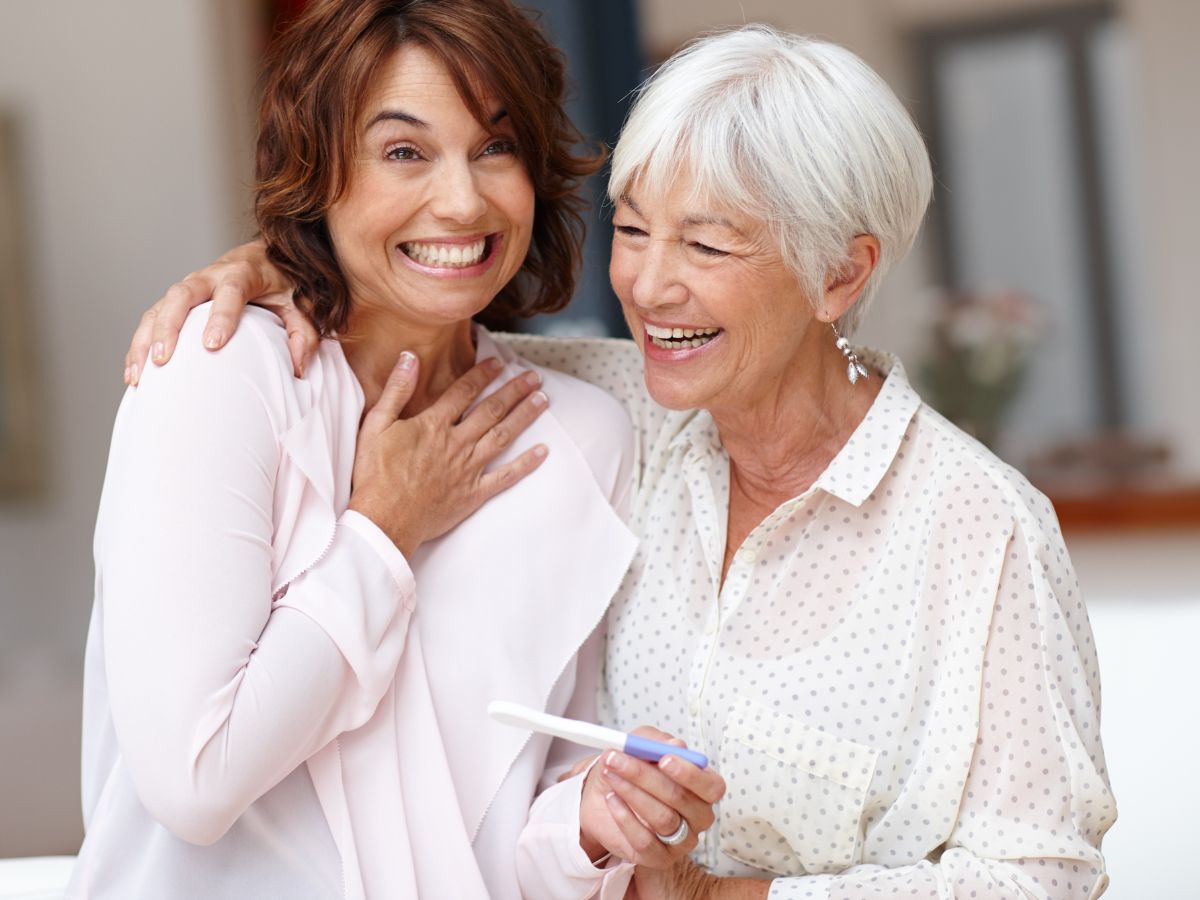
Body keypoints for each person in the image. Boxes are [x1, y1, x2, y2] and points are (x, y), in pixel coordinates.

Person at [127, 24, 1116, 900]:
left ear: (842, 273)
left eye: (707, 247)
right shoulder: (609, 411)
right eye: (634, 230)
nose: (648, 286)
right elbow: (417, 320)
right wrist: (280, 266)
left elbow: (1044, 875)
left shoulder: (979, 526)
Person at [72, 1, 723, 898]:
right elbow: (196, 780)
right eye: (405, 152)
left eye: (495, 147)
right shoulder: (219, 378)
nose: (462, 200)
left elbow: (502, 838)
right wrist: (382, 529)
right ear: (320, 176)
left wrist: (592, 823)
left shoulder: (578, 435)